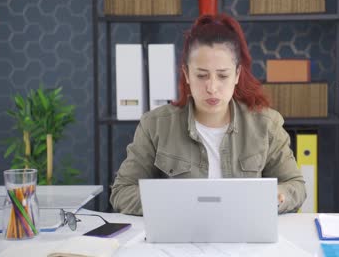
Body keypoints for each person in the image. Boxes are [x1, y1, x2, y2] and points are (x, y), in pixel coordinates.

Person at [110, 13, 306, 216]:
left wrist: (278, 195)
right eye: (201, 75)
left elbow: (296, 186)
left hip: (246, 239)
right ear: (186, 74)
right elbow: (122, 191)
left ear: (237, 75)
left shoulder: (266, 124)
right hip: (180, 238)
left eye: (223, 75)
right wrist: (173, 204)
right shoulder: (155, 125)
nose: (212, 87)